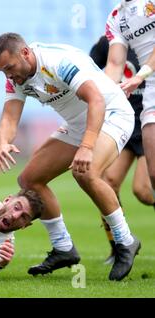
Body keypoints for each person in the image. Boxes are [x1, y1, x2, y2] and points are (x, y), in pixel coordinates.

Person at [0, 32, 140, 281]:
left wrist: (87, 146)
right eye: (3, 71)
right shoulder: (16, 77)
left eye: (10, 68)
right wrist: (3, 142)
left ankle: (125, 242)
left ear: (25, 53)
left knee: (86, 171)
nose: (8, 75)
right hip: (78, 122)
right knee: (29, 180)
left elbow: (97, 100)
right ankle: (63, 248)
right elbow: (9, 116)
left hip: (112, 113)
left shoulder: (58, 61)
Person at [90, 35, 153, 265]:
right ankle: (119, 245)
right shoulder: (106, 45)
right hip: (123, 123)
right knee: (107, 181)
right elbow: (89, 75)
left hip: (149, 119)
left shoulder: (148, 41)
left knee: (143, 190)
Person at [104, 0, 155, 208]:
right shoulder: (116, 17)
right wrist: (98, 99)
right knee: (153, 174)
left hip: (146, 77)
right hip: (150, 89)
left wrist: (140, 75)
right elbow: (115, 65)